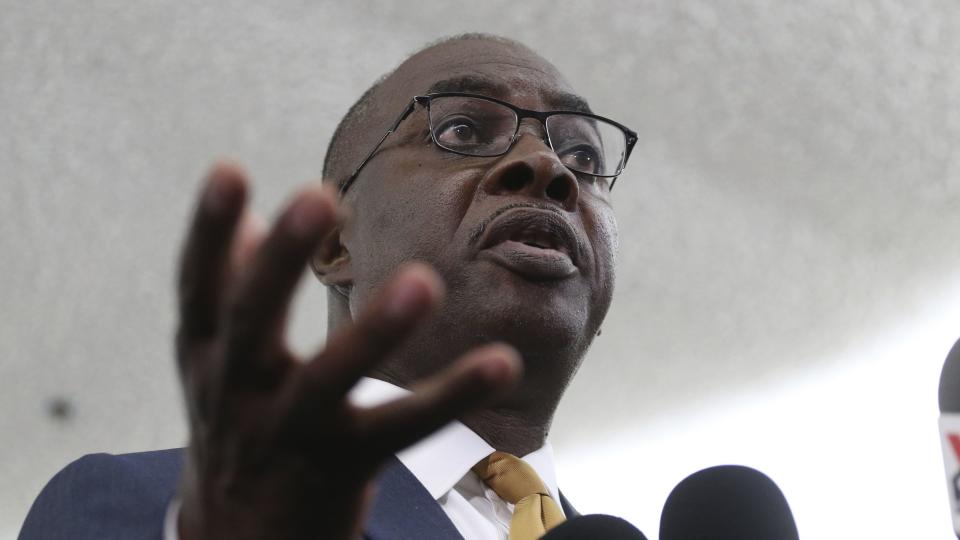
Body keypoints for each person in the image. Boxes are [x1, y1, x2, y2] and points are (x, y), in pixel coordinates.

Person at [19, 33, 637, 539]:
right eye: (463, 133)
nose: (550, 166)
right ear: (335, 244)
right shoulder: (138, 506)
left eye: (584, 156)